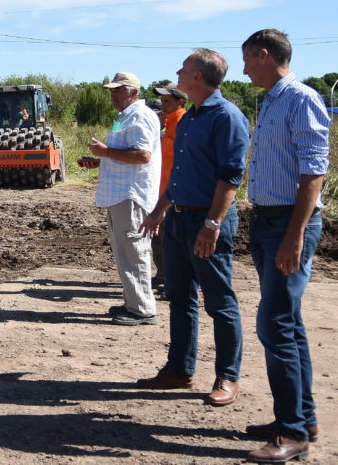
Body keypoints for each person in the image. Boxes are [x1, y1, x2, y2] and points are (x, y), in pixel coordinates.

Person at [139, 49, 249, 407]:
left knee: (219, 301)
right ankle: (180, 369)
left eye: (184, 68)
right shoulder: (188, 118)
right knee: (179, 297)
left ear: (199, 77)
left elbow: (230, 177)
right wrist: (160, 210)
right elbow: (180, 174)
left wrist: (213, 224)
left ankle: (227, 376)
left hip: (207, 221)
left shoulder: (227, 117)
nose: (178, 72)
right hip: (178, 219)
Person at [240, 29, 330, 463]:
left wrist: (294, 235)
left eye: (247, 60)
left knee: (274, 325)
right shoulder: (273, 100)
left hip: (288, 226)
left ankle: (293, 433)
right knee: (287, 324)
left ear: (263, 54)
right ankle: (300, 418)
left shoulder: (301, 98)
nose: (243, 69)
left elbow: (314, 172)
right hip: (267, 222)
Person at [82, 71, 161, 325]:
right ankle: (133, 302)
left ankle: (142, 309)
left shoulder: (140, 115)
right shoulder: (125, 117)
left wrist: (106, 152)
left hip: (131, 194)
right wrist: (100, 160)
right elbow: (124, 153)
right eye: (112, 90)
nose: (113, 95)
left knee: (133, 250)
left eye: (118, 90)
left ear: (133, 92)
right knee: (124, 251)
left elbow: (143, 155)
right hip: (120, 194)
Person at [151, 83, 188, 294]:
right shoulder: (168, 127)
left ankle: (173, 282)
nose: (163, 106)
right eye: (162, 101)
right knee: (160, 238)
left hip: (176, 196)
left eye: (167, 101)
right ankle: (164, 276)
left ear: (180, 101)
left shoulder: (184, 124)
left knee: (173, 243)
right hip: (162, 193)